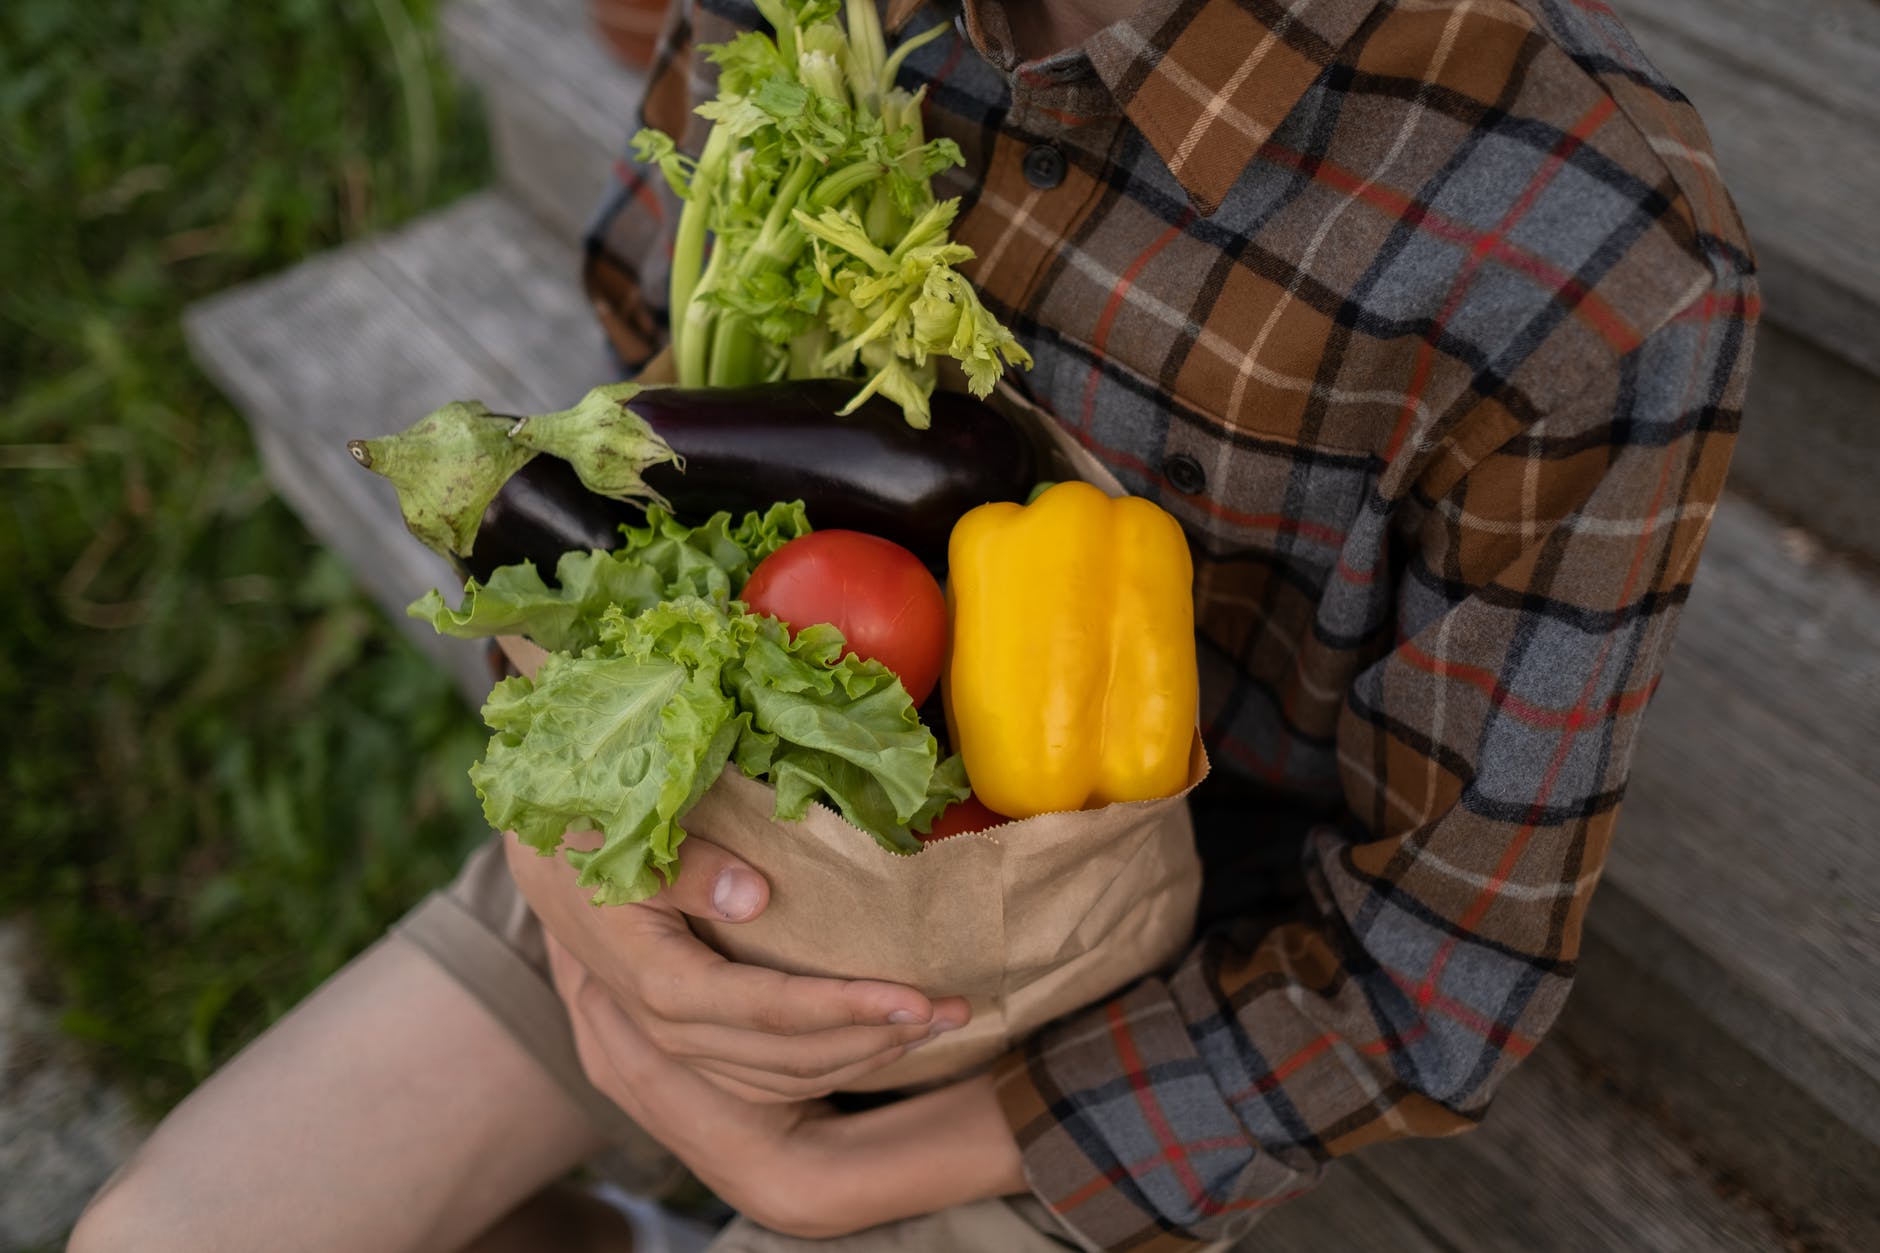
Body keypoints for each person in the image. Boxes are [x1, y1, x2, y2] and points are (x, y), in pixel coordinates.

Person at [72, 0, 1757, 1248]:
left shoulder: (1584, 249)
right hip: (699, 825)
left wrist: (827, 1171)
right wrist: (584, 876)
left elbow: (1430, 975)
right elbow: (628, 484)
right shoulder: (818, 18)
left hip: (1117, 997)